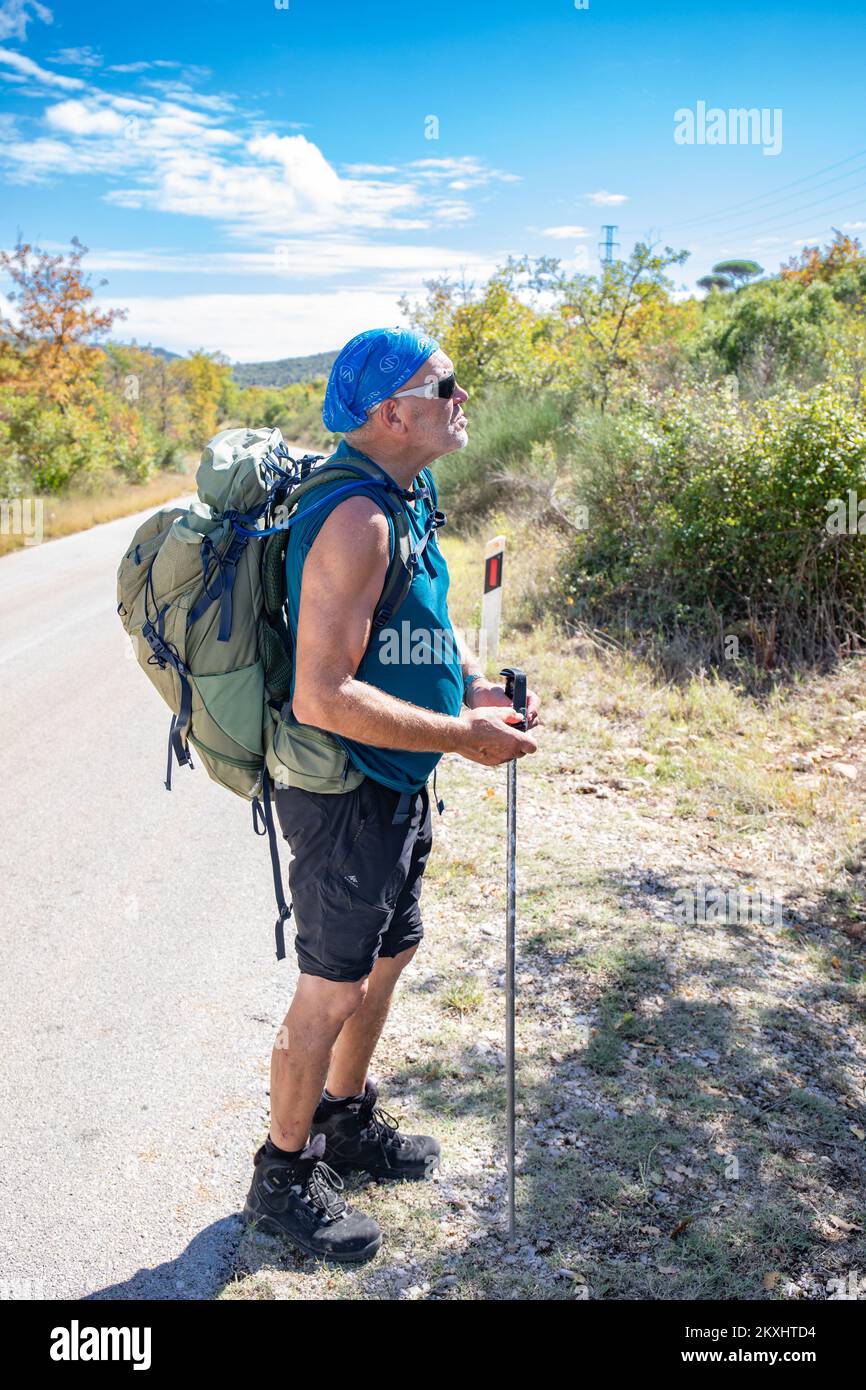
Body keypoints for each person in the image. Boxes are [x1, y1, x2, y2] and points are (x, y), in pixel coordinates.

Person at [243, 327, 540, 1263]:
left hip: (396, 776)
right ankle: (280, 1181)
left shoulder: (409, 497)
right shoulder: (354, 521)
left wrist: (471, 688)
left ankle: (344, 1120)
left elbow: (424, 620)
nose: (462, 395)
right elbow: (322, 692)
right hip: (342, 789)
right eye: (445, 383)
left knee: (389, 955)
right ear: (392, 413)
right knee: (330, 989)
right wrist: (464, 738)